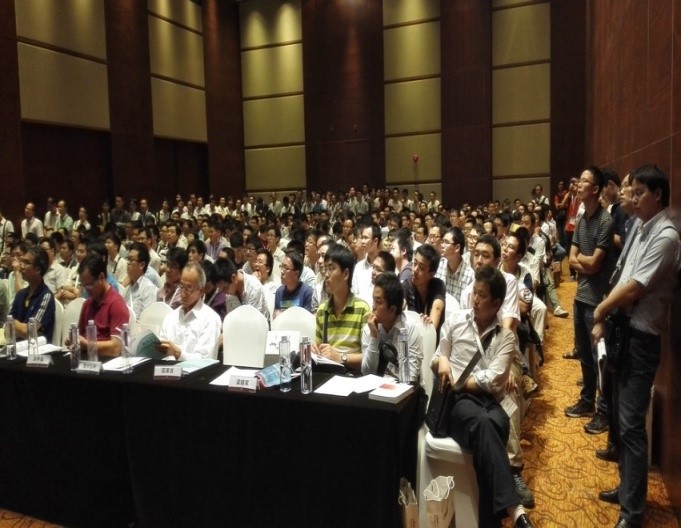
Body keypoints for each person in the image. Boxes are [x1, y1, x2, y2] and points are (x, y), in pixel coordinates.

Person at [592, 165, 681, 528]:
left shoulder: (666, 236)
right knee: (619, 417)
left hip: (642, 339)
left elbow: (636, 286)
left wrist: (600, 309)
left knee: (630, 425)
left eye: (640, 192)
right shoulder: (640, 227)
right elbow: (622, 276)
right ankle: (627, 488)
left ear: (658, 195)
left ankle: (633, 511)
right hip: (623, 330)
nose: (634, 197)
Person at [432, 265, 534, 528]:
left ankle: (498, 519)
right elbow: (438, 356)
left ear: (497, 303)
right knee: (486, 425)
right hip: (459, 404)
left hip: (491, 404)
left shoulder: (506, 337)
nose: (475, 299)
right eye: (474, 292)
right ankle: (515, 510)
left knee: (490, 426)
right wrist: (443, 361)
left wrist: (459, 380)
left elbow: (494, 379)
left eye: (482, 295)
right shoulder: (455, 320)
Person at [564, 167, 616, 437]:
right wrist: (584, 262)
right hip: (580, 296)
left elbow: (594, 264)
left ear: (595, 189)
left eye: (584, 181)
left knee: (600, 359)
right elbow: (571, 259)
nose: (578, 185)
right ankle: (586, 401)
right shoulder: (582, 217)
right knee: (584, 354)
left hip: (598, 300)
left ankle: (603, 411)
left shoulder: (606, 221)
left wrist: (582, 262)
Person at [313, 244, 370, 369]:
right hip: (328, 373)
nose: (326, 274)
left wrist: (340, 357)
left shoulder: (362, 309)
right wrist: (314, 350)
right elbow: (319, 349)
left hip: (353, 376)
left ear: (345, 274)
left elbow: (369, 358)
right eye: (325, 268)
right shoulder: (322, 310)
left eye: (331, 268)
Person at [361, 272, 422, 383]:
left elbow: (409, 380)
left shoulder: (410, 329)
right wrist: (374, 337)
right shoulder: (369, 328)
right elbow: (367, 373)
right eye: (373, 300)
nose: (373, 306)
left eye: (378, 302)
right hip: (376, 388)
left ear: (392, 309)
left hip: (404, 389)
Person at [156, 261, 222, 361]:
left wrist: (178, 353)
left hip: (196, 371)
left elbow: (204, 360)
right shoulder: (170, 317)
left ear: (201, 291)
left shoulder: (210, 319)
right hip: (166, 369)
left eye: (189, 288)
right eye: (181, 286)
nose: (183, 293)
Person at [74, 254, 129, 357]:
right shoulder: (87, 304)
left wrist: (87, 345)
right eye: (84, 285)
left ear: (101, 277)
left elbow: (116, 349)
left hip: (107, 362)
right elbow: (79, 336)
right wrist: (74, 340)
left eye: (89, 285)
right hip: (86, 360)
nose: (86, 290)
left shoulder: (116, 304)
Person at [9, 246, 56, 344]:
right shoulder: (20, 294)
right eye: (22, 262)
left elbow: (29, 331)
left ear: (38, 269)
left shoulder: (46, 296)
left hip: (37, 350)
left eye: (26, 263)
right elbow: (8, 329)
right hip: (18, 347)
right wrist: (20, 328)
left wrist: (14, 325)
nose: (21, 266)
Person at [401, 244, 446, 339]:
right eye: (414, 263)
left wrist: (429, 328)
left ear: (431, 274)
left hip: (432, 342)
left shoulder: (438, 285)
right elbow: (401, 303)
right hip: (413, 340)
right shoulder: (407, 284)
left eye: (421, 268)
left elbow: (437, 308)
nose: (414, 270)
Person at [273, 249, 313, 318]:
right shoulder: (279, 292)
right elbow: (276, 319)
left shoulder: (307, 292)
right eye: (281, 266)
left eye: (286, 268)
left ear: (296, 273)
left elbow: (306, 320)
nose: (282, 271)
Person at [124, 242, 158, 320]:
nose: (128, 262)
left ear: (142, 265)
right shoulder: (128, 288)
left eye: (131, 259)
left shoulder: (148, 288)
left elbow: (147, 319)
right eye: (128, 259)